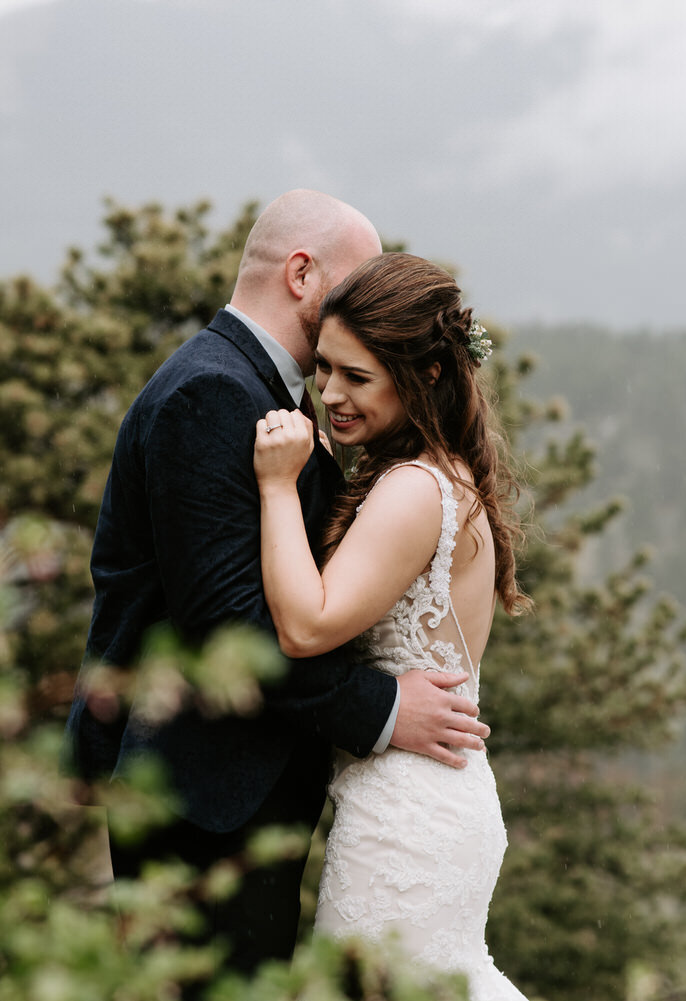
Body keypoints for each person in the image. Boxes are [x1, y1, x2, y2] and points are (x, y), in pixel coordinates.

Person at [63, 191, 493, 975]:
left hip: (237, 790)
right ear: (303, 274)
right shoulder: (214, 392)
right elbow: (230, 626)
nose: (367, 304)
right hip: (201, 791)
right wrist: (383, 707)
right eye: (357, 285)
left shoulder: (268, 396)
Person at [252, 252, 530, 999]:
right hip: (435, 802)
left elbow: (307, 627)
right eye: (326, 370)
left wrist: (278, 485)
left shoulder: (412, 489)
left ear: (427, 376)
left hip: (406, 822)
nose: (331, 395)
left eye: (357, 377)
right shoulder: (442, 473)